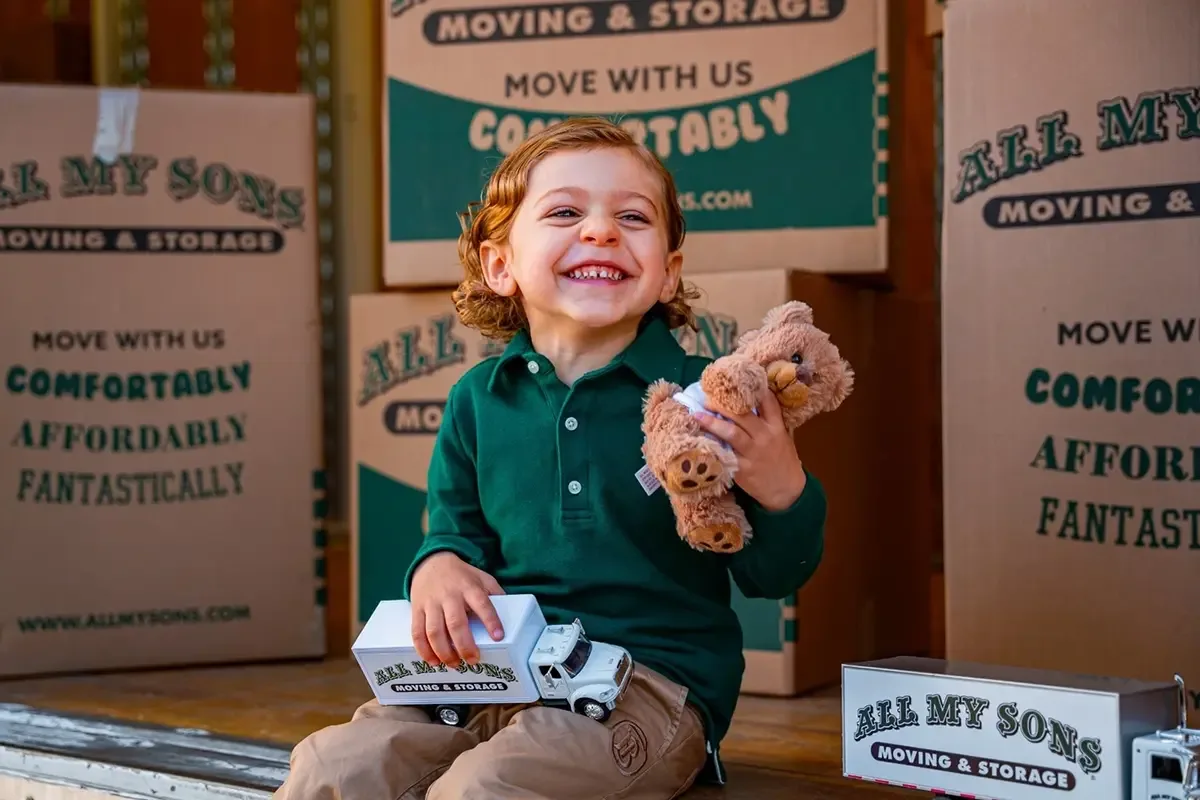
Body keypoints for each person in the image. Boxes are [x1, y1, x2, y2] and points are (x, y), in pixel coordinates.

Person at [275, 117, 828, 800]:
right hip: (486, 672)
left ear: (668, 273)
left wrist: (782, 487)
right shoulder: (478, 399)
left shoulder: (705, 402)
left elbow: (773, 576)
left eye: (633, 217)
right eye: (566, 213)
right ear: (499, 265)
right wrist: (437, 567)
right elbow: (453, 532)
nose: (601, 232)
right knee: (331, 769)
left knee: (487, 788)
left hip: (645, 686)